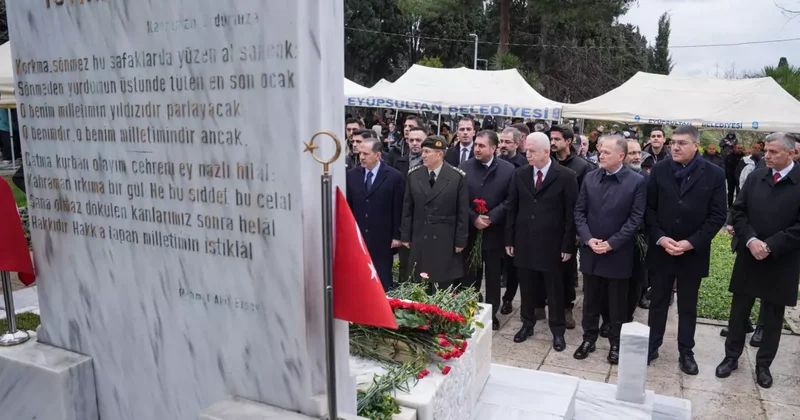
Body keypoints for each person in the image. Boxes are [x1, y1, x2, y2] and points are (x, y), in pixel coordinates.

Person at [716, 132, 800, 389]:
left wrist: (771, 245)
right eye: (766, 150)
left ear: (792, 153)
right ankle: (731, 357)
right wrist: (751, 240)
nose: (767, 155)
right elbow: (738, 211)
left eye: (774, 152)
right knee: (739, 310)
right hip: (749, 255)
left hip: (782, 259)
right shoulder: (755, 177)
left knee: (773, 316)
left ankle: (764, 365)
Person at [644, 125, 727, 374]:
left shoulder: (715, 174)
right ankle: (652, 344)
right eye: (673, 143)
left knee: (688, 306)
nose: (675, 147)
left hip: (693, 252)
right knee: (658, 301)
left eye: (682, 143)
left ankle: (685, 350)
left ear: (696, 146)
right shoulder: (659, 170)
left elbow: (717, 215)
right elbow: (649, 209)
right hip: (662, 249)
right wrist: (660, 238)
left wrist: (692, 242)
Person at [573, 135, 646, 365]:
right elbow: (579, 212)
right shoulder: (590, 177)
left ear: (621, 156)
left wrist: (612, 243)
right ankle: (589, 338)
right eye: (600, 151)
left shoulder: (636, 181)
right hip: (592, 249)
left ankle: (616, 343)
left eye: (605, 152)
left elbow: (635, 219)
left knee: (617, 303)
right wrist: (588, 239)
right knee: (591, 299)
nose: (600, 155)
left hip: (618, 252)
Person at [505, 132, 578, 351]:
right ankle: (527, 323)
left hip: (553, 245)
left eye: (532, 151)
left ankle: (557, 331)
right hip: (525, 242)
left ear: (546, 151)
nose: (527, 154)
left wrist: (568, 245)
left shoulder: (566, 176)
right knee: (527, 288)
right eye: (526, 150)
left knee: (554, 290)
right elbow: (512, 208)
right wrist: (509, 238)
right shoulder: (520, 174)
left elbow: (570, 214)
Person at [459, 130, 515, 330]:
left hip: (494, 232)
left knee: (493, 276)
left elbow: (511, 200)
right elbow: (458, 199)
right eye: (476, 145)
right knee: (470, 274)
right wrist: (473, 217)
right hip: (471, 232)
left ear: (494, 148)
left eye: (482, 146)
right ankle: (469, 309)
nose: (477, 149)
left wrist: (491, 217)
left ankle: (491, 313)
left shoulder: (508, 170)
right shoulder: (464, 168)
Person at [400, 136, 469, 288]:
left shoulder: (456, 177)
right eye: (423, 151)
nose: (423, 155)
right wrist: (405, 235)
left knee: (443, 283)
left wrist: (460, 240)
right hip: (420, 235)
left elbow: (462, 212)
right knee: (419, 283)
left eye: (427, 151)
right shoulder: (414, 176)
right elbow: (407, 209)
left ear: (440, 154)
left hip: (445, 238)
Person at [546, 124, 596, 329]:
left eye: (557, 139)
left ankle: (566, 307)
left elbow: (584, 202)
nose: (553, 142)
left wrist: (578, 230)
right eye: (551, 138)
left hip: (569, 227)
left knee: (567, 270)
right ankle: (543, 302)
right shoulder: (546, 162)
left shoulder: (582, 167)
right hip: (546, 225)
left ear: (568, 141)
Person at [346, 138, 406, 291]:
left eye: (366, 154)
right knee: (358, 280)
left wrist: (397, 235)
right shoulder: (352, 175)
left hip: (382, 239)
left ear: (378, 155)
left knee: (381, 280)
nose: (362, 157)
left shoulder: (394, 177)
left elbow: (398, 208)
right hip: (358, 238)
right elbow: (349, 206)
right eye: (360, 153)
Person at [624, 139, 650, 314]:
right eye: (632, 153)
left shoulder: (647, 179)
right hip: (615, 238)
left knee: (635, 280)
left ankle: (627, 315)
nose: (637, 157)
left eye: (639, 153)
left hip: (639, 238)